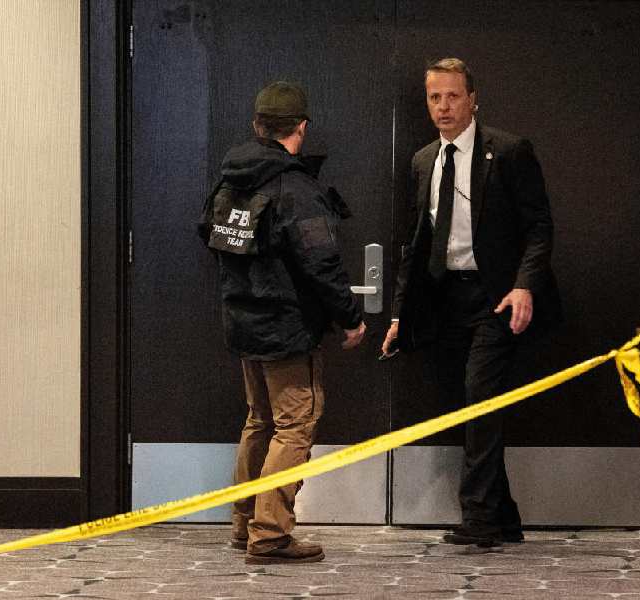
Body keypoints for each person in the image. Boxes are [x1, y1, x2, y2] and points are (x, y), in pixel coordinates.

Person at [382, 58, 556, 547]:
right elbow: (415, 246)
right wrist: (401, 313)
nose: (443, 106)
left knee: (480, 402)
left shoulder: (509, 151)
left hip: (496, 296)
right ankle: (505, 517)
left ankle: (478, 518)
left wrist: (525, 285)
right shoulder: (423, 161)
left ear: (473, 99)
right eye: (435, 97)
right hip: (445, 297)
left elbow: (539, 227)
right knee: (470, 403)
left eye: (453, 96)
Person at [199, 81, 365, 564]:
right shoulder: (294, 187)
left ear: (257, 126)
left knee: (259, 420)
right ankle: (269, 534)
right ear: (302, 128)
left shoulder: (229, 181)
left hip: (244, 321)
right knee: (295, 425)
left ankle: (243, 524)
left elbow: (208, 236)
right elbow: (321, 262)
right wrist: (349, 318)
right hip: (287, 328)